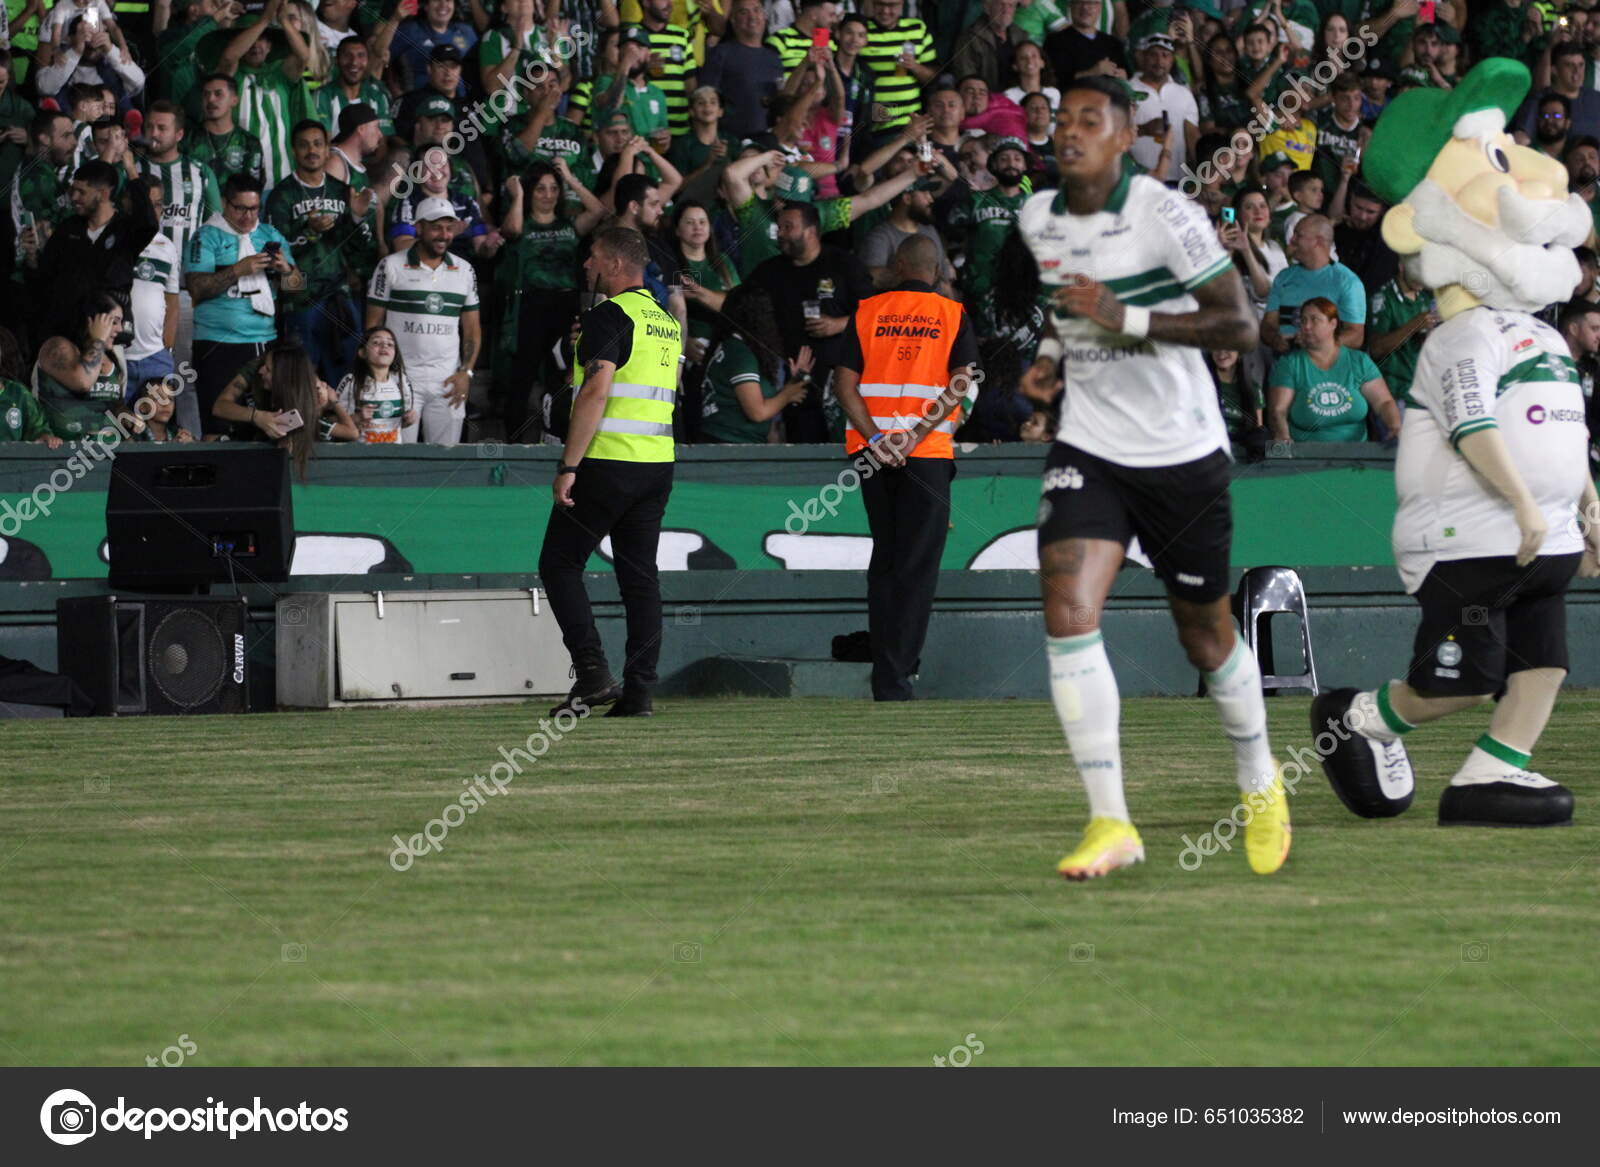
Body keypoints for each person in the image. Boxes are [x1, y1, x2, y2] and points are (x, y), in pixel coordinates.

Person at [1015, 75, 1289, 880]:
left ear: (1123, 134)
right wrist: (1049, 358)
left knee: (1205, 636)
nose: (1068, 131)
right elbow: (1071, 308)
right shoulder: (1038, 217)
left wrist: (1125, 317)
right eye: (1061, 118)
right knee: (1067, 606)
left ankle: (1260, 778)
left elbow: (1241, 322)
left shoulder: (1168, 213)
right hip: (1090, 444)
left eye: (1088, 120)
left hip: (1180, 450)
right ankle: (1111, 822)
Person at [1315, 59, 1600, 829]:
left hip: (1545, 535)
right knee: (1463, 683)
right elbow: (1474, 425)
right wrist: (1519, 502)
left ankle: (1488, 775)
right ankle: (1356, 719)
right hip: (1471, 538)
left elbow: (1565, 427)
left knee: (1544, 666)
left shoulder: (1543, 332)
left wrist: (1587, 504)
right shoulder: (1461, 337)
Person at [539, 226, 682, 719]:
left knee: (559, 564)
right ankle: (639, 692)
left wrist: (568, 465)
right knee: (640, 579)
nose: (586, 266)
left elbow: (596, 394)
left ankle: (593, 671)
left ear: (617, 264)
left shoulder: (609, 314)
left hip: (608, 461)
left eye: (594, 257)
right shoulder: (664, 319)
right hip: (656, 464)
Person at [833, 234, 979, 701]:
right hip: (927, 454)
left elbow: (844, 385)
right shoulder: (952, 315)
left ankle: (887, 671)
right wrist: (914, 436)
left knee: (887, 560)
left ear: (897, 266)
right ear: (936, 272)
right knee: (917, 567)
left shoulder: (866, 311)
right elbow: (961, 384)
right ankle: (896, 677)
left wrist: (877, 440)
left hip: (872, 455)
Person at [743, 194, 875, 441]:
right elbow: (738, 305)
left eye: (788, 227)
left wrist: (839, 324)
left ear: (811, 232)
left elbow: (875, 315)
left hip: (843, 388)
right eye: (779, 227)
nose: (780, 233)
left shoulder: (844, 264)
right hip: (795, 389)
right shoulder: (770, 271)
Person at [495, 160, 607, 442]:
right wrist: (518, 195)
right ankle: (514, 443)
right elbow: (511, 231)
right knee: (524, 375)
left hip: (567, 305)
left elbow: (598, 211)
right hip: (532, 306)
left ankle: (558, 437)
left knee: (565, 374)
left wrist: (569, 177)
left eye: (554, 188)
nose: (548, 194)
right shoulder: (524, 222)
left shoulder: (569, 224)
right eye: (540, 189)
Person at [187, 171, 304, 434]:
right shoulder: (206, 236)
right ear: (226, 204)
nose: (248, 217)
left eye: (254, 209)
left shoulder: (269, 233)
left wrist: (286, 270)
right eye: (241, 208)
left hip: (265, 343)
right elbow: (197, 289)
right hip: (218, 344)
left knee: (270, 424)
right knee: (218, 426)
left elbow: (298, 290)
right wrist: (238, 270)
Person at [266, 118, 374, 386]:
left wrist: (357, 219)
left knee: (347, 378)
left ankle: (345, 428)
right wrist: (310, 231)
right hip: (300, 296)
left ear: (328, 149)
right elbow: (276, 254)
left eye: (317, 144)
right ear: (293, 150)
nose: (311, 151)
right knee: (302, 380)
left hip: (340, 296)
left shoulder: (341, 191)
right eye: (303, 145)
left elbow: (359, 251)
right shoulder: (282, 195)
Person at [365, 197, 481, 444]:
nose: (444, 235)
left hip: (449, 382)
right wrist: (379, 375)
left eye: (449, 228)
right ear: (419, 228)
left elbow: (472, 330)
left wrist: (467, 373)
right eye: (436, 227)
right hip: (398, 380)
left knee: (443, 463)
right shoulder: (390, 266)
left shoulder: (465, 270)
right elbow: (373, 326)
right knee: (397, 459)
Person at [31, 159, 160, 340]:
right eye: (73, 190)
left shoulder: (126, 230)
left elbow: (149, 222)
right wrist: (32, 257)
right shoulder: (68, 228)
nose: (74, 197)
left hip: (109, 337)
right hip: (65, 334)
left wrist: (131, 170)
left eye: (81, 192)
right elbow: (45, 277)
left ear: (103, 194)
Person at [1267, 297, 1400, 443]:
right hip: (1305, 456)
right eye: (1303, 321)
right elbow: (1278, 410)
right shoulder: (1289, 363)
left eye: (1314, 320)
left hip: (1357, 455)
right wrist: (1283, 437)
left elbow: (1383, 402)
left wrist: (1395, 426)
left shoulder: (1359, 360)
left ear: (1333, 324)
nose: (1306, 326)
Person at [697, 285, 812, 443]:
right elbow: (757, 412)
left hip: (733, 444)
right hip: (728, 445)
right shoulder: (740, 352)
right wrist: (788, 394)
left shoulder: (735, 346)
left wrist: (792, 384)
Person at [1262, 215, 1366, 352]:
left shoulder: (1347, 282)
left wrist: (1318, 343)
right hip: (1285, 368)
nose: (1292, 239)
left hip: (1326, 371)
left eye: (1298, 235)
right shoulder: (1284, 277)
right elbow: (1268, 325)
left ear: (1318, 241)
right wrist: (1275, 339)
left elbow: (1356, 336)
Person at [32, 292, 128, 440]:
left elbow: (115, 404)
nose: (120, 329)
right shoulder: (57, 346)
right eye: (114, 322)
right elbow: (83, 382)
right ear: (91, 321)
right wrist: (99, 339)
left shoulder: (112, 358)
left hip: (105, 452)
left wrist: (127, 415)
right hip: (62, 452)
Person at [704, 0, 785, 140]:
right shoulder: (720, 54)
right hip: (730, 142)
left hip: (767, 142)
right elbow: (706, 99)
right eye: (744, 12)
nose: (752, 16)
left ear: (764, 16)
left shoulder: (774, 58)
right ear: (733, 20)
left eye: (757, 10)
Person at [1366, 258, 1436, 408]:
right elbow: (1376, 349)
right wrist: (1413, 326)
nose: (1421, 278)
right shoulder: (1383, 299)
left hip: (1422, 391)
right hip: (1393, 394)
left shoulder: (1426, 298)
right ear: (1402, 266)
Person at [337, 326, 418, 443]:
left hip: (393, 455)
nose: (384, 346)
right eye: (376, 342)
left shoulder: (402, 380)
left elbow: (402, 422)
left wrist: (409, 420)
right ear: (363, 352)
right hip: (360, 456)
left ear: (395, 354)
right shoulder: (351, 381)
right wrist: (357, 418)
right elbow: (334, 422)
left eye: (390, 344)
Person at [189, 74, 266, 187]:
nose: (210, 99)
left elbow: (253, 186)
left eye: (218, 94)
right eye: (206, 94)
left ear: (234, 100)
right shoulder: (187, 139)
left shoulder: (249, 142)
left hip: (235, 204)